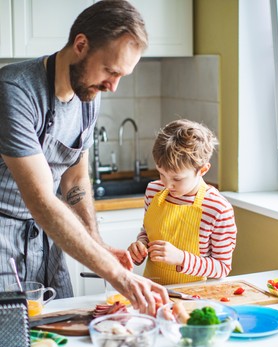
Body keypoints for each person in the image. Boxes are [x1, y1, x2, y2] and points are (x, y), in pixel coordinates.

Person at [0, 0, 168, 315]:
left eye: (122, 76)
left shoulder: (88, 96)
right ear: (81, 45)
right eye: (110, 70)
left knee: (64, 327)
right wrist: (118, 275)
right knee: (11, 343)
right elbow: (42, 200)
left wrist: (97, 242)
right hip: (4, 236)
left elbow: (75, 178)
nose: (114, 86)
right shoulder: (15, 90)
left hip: (47, 239)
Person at [128, 119, 237, 285]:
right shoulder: (153, 191)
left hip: (195, 296)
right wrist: (141, 245)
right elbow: (147, 232)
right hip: (153, 290)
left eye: (177, 178)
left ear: (202, 170)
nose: (167, 184)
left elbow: (222, 267)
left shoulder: (218, 208)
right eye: (161, 174)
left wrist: (181, 258)